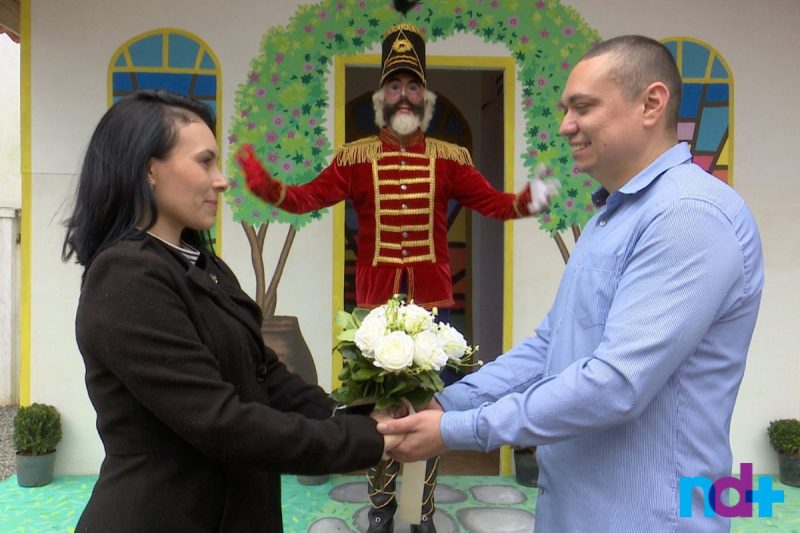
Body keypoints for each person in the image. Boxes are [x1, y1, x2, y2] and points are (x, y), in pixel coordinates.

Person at [377, 34, 765, 533]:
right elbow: (549, 346)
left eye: (583, 107)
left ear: (652, 104)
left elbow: (616, 384)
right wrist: (448, 402)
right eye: (565, 110)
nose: (565, 126)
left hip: (651, 517)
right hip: (574, 508)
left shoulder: (689, 214)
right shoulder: (613, 215)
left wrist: (457, 429)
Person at [236, 21, 556, 533]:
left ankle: (422, 512)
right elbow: (306, 198)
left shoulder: (450, 158)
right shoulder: (355, 157)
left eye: (412, 86)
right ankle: (382, 508)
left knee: (432, 408)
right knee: (378, 411)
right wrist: (265, 186)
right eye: (394, 86)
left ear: (425, 97)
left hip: (432, 309)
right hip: (374, 308)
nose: (403, 96)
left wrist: (529, 200)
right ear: (380, 98)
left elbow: (492, 204)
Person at [61, 90, 401, 533]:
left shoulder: (203, 265)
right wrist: (365, 440)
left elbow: (265, 375)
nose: (221, 181)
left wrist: (352, 416)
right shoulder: (126, 277)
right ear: (149, 169)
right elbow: (220, 421)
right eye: (205, 162)